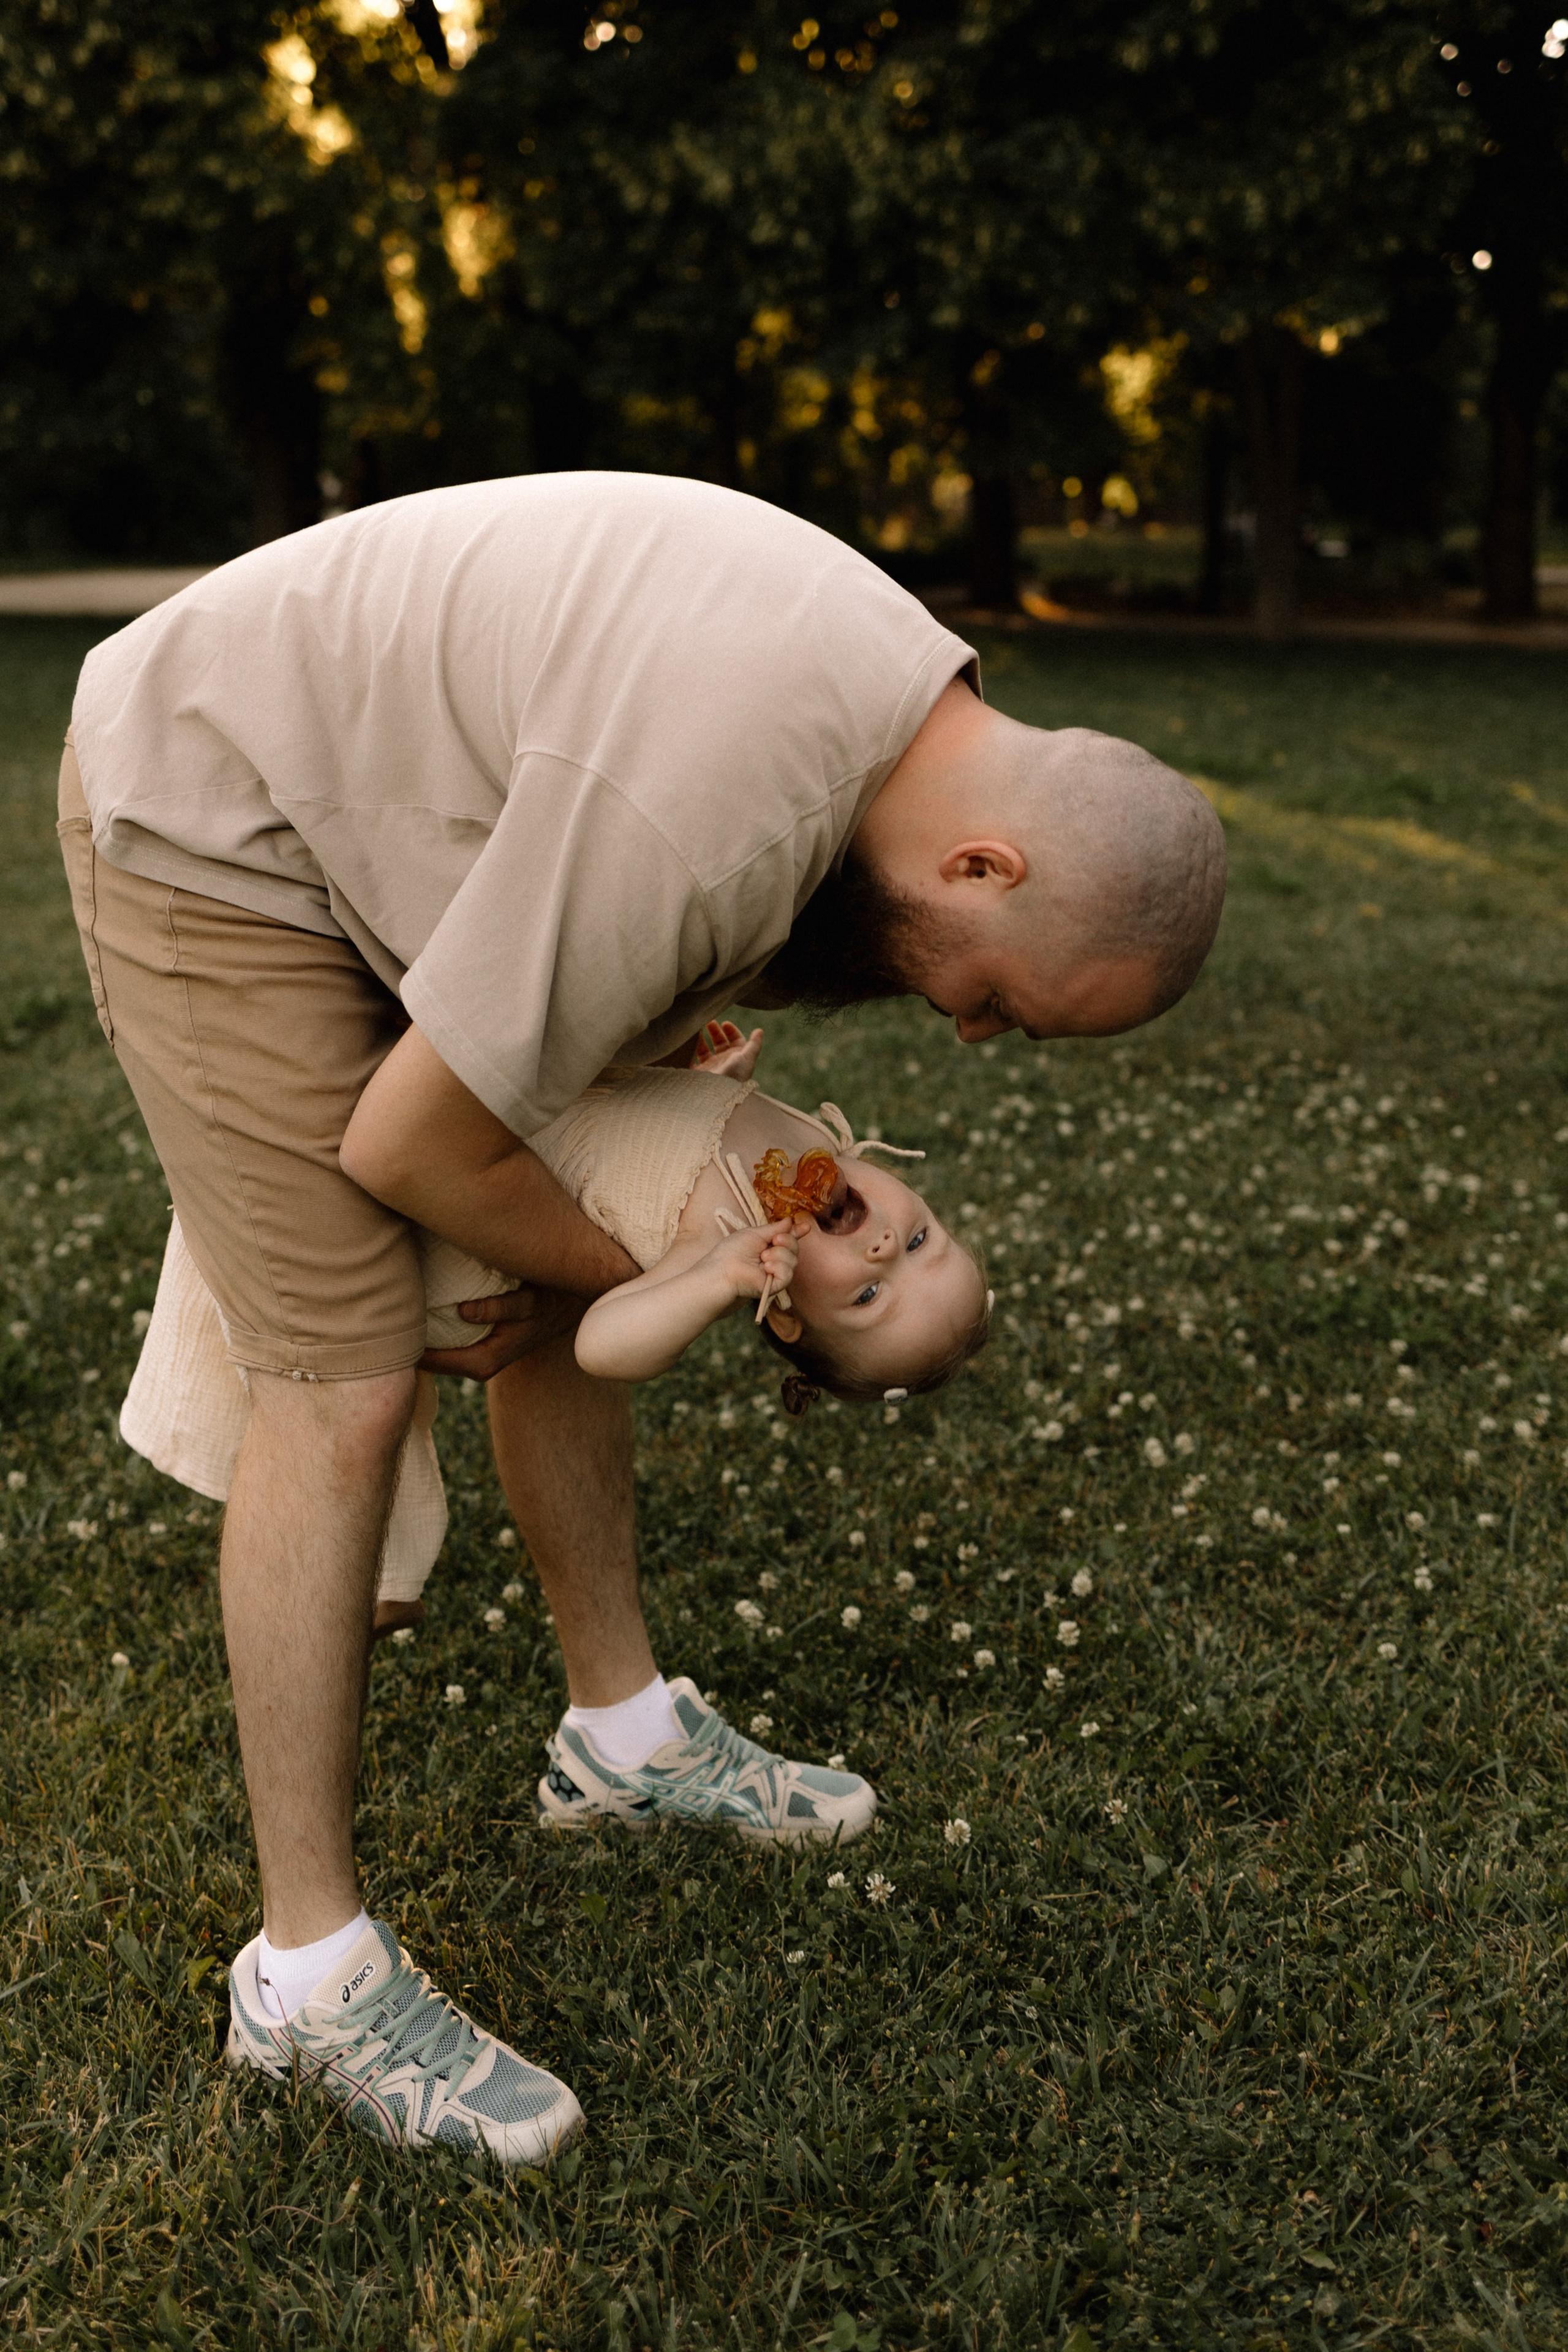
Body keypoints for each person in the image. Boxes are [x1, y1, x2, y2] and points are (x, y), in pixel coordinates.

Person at [59, 470, 1225, 2166]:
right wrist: (655, 1273)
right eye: (999, 1003)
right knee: (350, 1377)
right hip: (216, 816)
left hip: (397, 829)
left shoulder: (896, 725)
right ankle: (302, 1974)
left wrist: (597, 1229)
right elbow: (411, 1142)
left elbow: (601, 905)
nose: (969, 1039)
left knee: (542, 1254)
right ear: (984, 863)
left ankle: (618, 1738)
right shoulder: (724, 813)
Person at [120, 1020, 990, 1644]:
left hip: (462, 1244)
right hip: (517, 1139)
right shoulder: (816, 1152)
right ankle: (375, 1568)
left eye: (871, 1295)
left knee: (332, 1297)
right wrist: (702, 1085)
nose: (884, 1247)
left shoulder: (729, 1244)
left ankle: (364, 1570)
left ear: (787, 1309)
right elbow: (658, 1139)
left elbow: (602, 1344)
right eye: (920, 1242)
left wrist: (716, 1277)